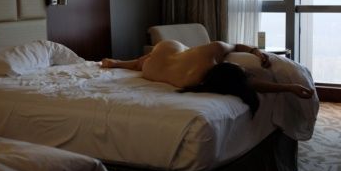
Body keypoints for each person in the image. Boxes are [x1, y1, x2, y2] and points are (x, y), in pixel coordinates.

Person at [101, 40, 313, 115]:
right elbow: (248, 83)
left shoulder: (212, 51)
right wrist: (288, 87)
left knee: (143, 62)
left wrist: (255, 52)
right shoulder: (192, 81)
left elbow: (237, 47)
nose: (240, 65)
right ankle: (118, 63)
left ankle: (118, 63)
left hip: (164, 51)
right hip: (152, 67)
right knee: (142, 63)